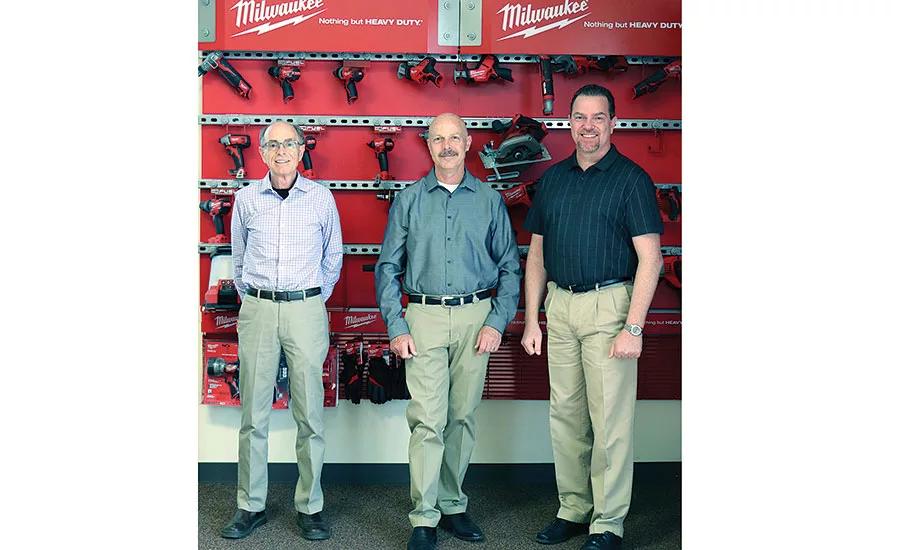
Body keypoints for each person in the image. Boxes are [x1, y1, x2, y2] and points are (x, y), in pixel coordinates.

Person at [520, 85, 664, 550]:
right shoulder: (555, 179)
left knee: (609, 421)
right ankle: (574, 508)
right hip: (559, 306)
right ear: (569, 122)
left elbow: (652, 259)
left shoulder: (632, 179)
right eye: (579, 117)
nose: (587, 126)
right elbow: (537, 255)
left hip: (610, 307)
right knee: (565, 415)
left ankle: (607, 522)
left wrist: (634, 327)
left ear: (612, 123)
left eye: (597, 117)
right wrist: (531, 320)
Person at [375, 113, 522, 550]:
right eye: (438, 139)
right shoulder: (409, 200)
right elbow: (388, 268)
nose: (447, 146)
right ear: (428, 145)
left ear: (468, 142)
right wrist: (396, 326)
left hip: (477, 317)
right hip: (424, 318)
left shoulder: (489, 200)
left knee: (461, 417)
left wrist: (497, 321)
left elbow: (511, 268)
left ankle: (453, 505)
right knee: (427, 420)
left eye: (454, 137)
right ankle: (423, 516)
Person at [219, 121, 343, 541]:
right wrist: (257, 299)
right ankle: (249, 506)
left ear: (302, 148)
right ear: (262, 152)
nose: (282, 151)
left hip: (306, 309)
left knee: (309, 413)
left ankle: (310, 506)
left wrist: (309, 299)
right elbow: (238, 262)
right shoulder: (246, 199)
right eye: (273, 144)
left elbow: (333, 259)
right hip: (257, 308)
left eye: (289, 143)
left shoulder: (321, 199)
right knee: (253, 414)